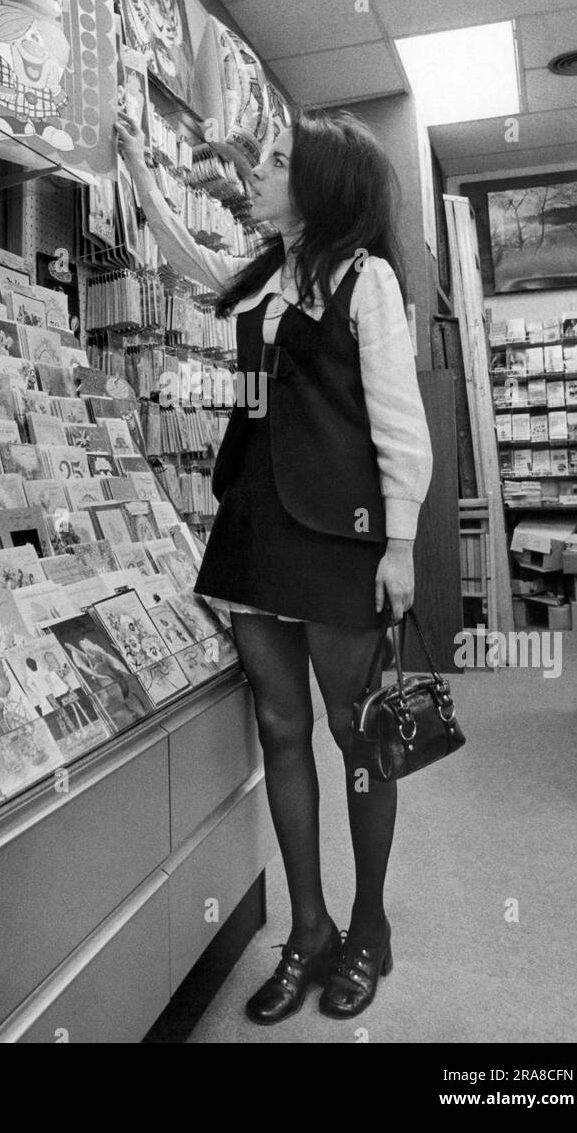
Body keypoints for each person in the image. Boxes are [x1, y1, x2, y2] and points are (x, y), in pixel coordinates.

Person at [116, 108, 433, 1025]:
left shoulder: (363, 279)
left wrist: (402, 540)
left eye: (279, 164)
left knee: (358, 735)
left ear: (320, 188)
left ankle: (368, 929)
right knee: (282, 733)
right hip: (254, 531)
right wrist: (139, 172)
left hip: (342, 536)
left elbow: (397, 418)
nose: (260, 174)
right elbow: (187, 262)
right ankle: (308, 931)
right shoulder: (262, 276)